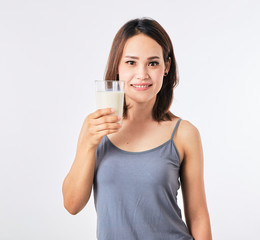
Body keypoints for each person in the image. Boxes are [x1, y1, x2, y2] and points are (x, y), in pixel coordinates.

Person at [62, 17, 212, 240]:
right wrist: (88, 145)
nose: (142, 74)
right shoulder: (95, 128)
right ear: (117, 67)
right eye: (131, 62)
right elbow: (72, 205)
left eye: (152, 63)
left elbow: (198, 216)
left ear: (166, 67)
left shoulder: (184, 134)